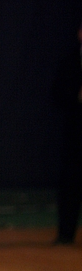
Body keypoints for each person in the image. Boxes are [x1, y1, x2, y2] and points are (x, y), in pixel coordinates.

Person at [52, 20, 82, 245]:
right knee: (71, 183)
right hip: (75, 135)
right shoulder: (70, 62)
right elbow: (57, 93)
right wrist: (76, 96)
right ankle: (65, 234)